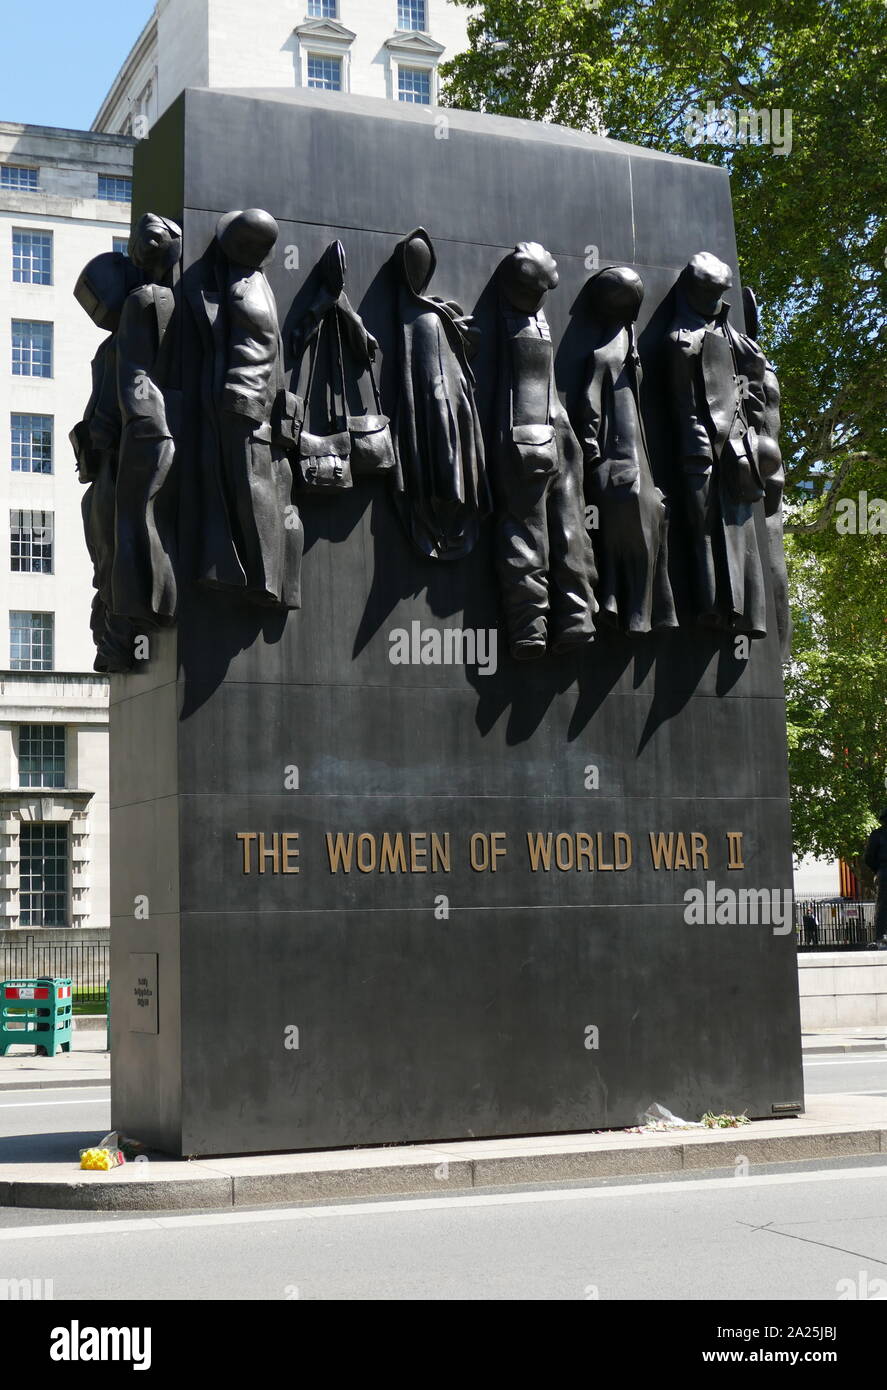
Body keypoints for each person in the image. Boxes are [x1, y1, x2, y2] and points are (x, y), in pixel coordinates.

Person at [186, 208, 303, 608]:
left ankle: (265, 580)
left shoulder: (241, 290)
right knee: (252, 486)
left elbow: (235, 344)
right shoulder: (259, 284)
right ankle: (262, 576)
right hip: (253, 404)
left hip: (241, 403)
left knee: (250, 487)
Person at [494, 241, 597, 658]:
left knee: (537, 532)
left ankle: (542, 625)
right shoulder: (522, 319)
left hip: (538, 432)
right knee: (551, 530)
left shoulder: (526, 316)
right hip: (538, 431)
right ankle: (557, 622)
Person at [666, 252, 769, 638]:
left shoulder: (733, 338)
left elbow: (753, 391)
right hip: (698, 446)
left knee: (740, 531)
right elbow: (680, 401)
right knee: (702, 528)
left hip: (735, 447)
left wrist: (751, 433)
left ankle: (749, 617)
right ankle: (711, 607)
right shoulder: (681, 339)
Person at [574, 265, 677, 635]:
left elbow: (588, 412)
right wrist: (593, 457)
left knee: (625, 543)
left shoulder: (621, 357)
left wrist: (592, 458)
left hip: (622, 468)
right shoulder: (609, 358)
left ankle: (625, 606)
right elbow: (590, 413)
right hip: (623, 468)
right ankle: (635, 613)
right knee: (637, 545)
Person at [112, 212, 182, 627]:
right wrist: (151, 421)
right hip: (153, 427)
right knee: (144, 515)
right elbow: (135, 374)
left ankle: (157, 600)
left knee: (148, 515)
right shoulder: (146, 300)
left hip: (157, 426)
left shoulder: (160, 299)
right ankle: (152, 601)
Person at [864, 808, 887, 943]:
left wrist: (878, 870)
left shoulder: (877, 835)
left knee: (882, 905)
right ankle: (880, 938)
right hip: (884, 870)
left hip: (883, 871)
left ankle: (880, 937)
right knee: (883, 905)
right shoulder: (877, 835)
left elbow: (869, 858)